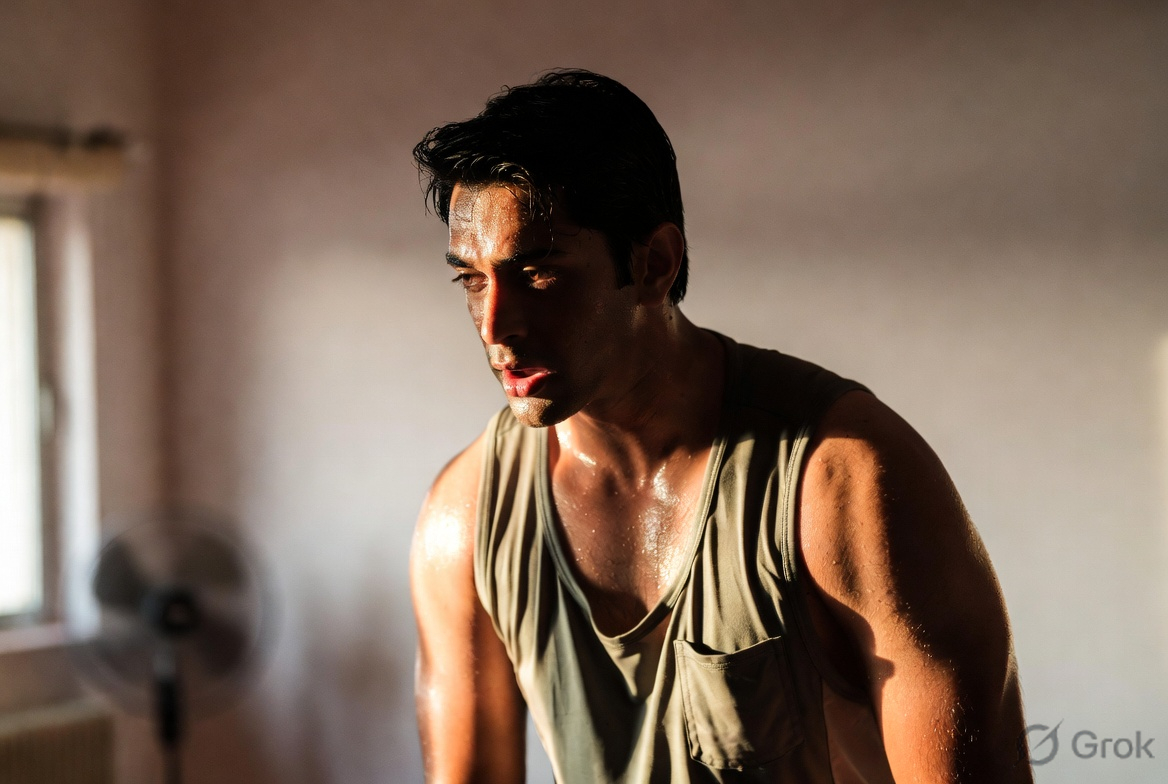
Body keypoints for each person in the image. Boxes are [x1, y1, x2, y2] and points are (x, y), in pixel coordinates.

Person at [409, 69, 1032, 783]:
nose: (497, 327)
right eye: (472, 279)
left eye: (538, 273)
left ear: (655, 264)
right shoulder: (465, 519)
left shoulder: (842, 481)